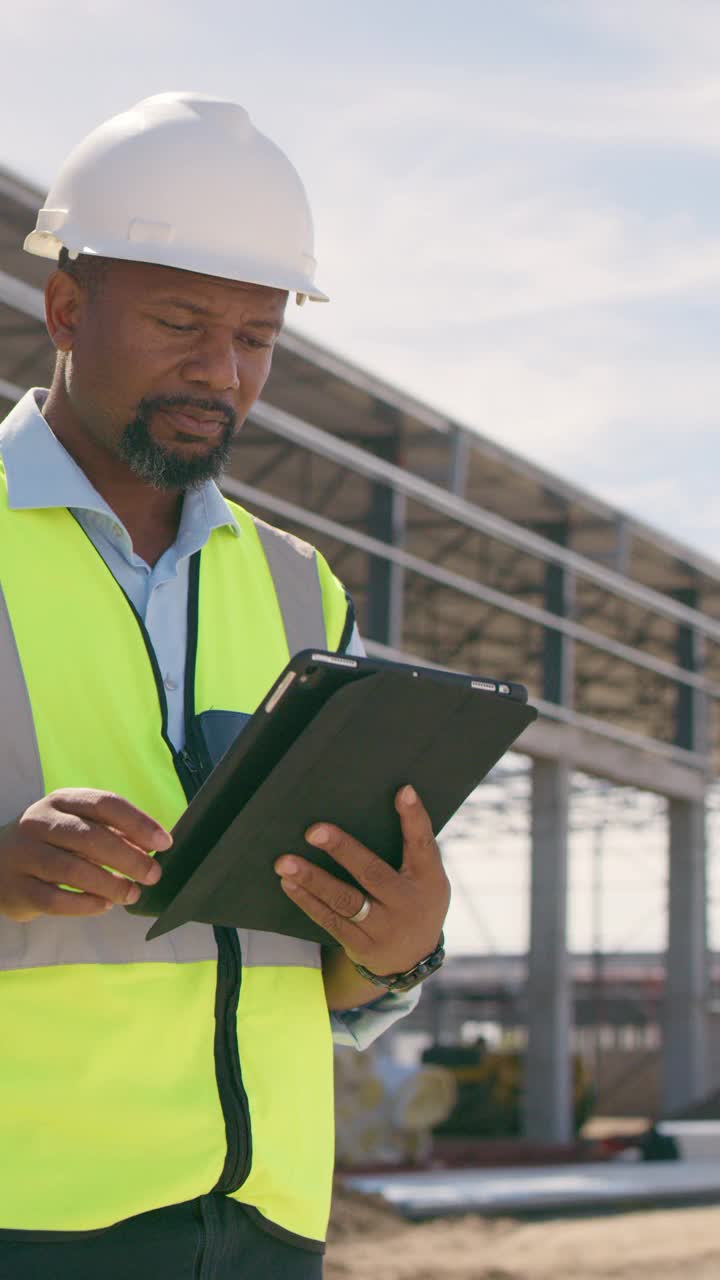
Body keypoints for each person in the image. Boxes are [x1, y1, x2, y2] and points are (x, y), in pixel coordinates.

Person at [0, 92, 450, 1279]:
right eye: (181, 323)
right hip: (32, 1218)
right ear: (65, 308)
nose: (220, 371)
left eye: (255, 338)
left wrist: (395, 948)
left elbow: (323, 962)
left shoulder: (306, 593)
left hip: (260, 1223)